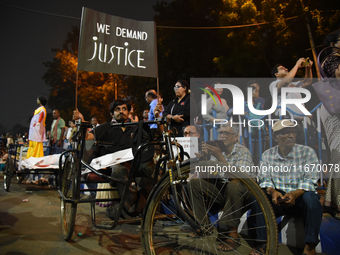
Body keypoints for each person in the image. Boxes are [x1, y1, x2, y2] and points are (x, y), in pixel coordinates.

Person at [74, 99, 156, 219]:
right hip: (113, 166)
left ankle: (143, 209)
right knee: (118, 169)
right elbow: (87, 137)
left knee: (152, 170)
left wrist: (157, 115)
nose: (121, 112)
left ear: (128, 112)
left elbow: (151, 138)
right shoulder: (106, 127)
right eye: (117, 109)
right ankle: (130, 210)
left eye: (124, 109)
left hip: (133, 163)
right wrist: (80, 120)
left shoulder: (135, 127)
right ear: (112, 114)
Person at [253, 120, 322, 255]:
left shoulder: (307, 152)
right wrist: (273, 192)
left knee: (311, 198)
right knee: (258, 197)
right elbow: (265, 179)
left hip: (299, 198)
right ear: (275, 137)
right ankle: (261, 243)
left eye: (293, 132)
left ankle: (309, 246)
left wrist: (295, 194)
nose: (291, 135)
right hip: (277, 199)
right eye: (285, 132)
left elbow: (311, 180)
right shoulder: (268, 154)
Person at [189, 123, 254, 251]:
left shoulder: (243, 152)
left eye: (226, 133)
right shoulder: (216, 152)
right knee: (194, 183)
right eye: (221, 133)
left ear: (236, 137)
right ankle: (203, 226)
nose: (223, 136)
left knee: (233, 185)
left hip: (241, 191)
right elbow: (205, 176)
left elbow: (239, 177)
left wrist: (220, 157)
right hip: (223, 189)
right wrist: (206, 158)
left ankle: (232, 234)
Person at [319, 29, 340, 219]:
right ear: (333, 44)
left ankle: (333, 201)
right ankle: (336, 202)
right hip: (334, 108)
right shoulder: (332, 59)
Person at [270, 58, 313, 145]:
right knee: (290, 148)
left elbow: (308, 81)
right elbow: (287, 80)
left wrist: (308, 68)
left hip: (300, 122)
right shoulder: (274, 84)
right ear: (276, 74)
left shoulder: (293, 84)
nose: (286, 69)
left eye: (286, 68)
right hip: (287, 121)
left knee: (305, 147)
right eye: (282, 68)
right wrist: (297, 65)